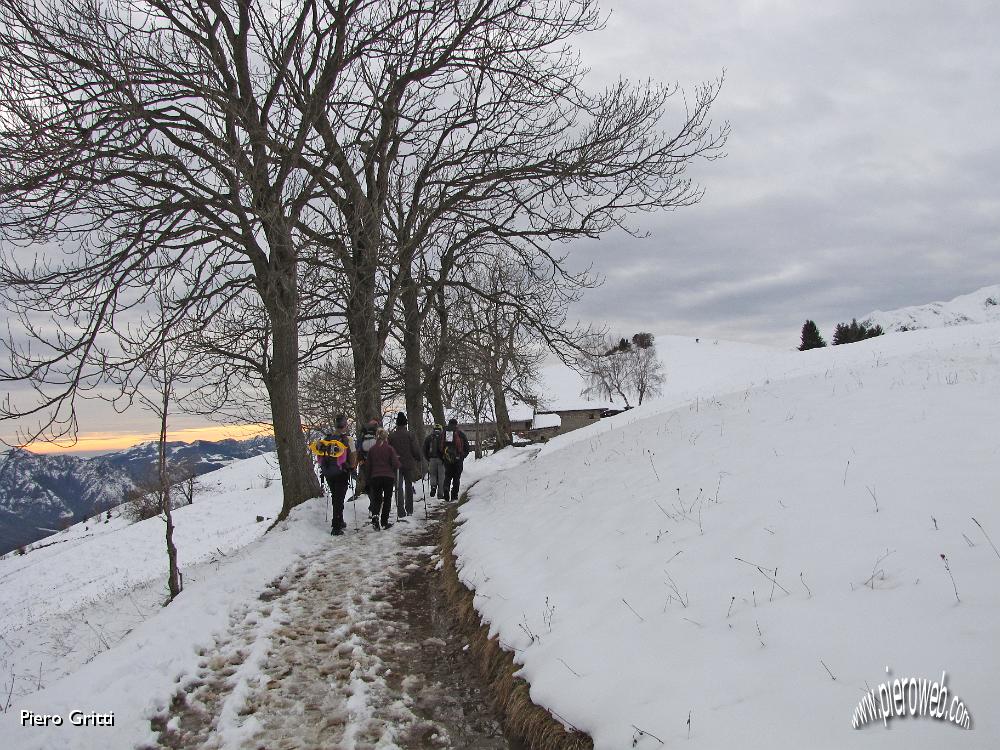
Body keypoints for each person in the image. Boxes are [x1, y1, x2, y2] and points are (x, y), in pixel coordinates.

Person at [312, 416, 355, 535]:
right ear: (345, 425)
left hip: (329, 473)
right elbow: (353, 456)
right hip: (341, 472)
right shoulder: (347, 440)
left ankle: (339, 520)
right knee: (339, 499)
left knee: (335, 496)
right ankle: (336, 526)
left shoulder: (327, 439)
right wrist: (352, 467)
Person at [364, 428, 400, 530]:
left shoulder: (372, 450)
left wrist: (368, 479)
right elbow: (396, 463)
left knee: (377, 498)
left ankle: (375, 516)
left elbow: (368, 466)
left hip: (375, 477)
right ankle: (384, 521)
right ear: (386, 437)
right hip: (388, 477)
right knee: (387, 499)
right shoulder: (389, 449)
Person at [388, 412, 421, 519]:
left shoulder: (392, 436)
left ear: (397, 424)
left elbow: (389, 450)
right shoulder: (410, 435)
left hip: (396, 464)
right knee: (408, 486)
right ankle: (409, 509)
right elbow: (415, 449)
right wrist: (418, 457)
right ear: (405, 424)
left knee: (398, 487)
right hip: (408, 463)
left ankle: (400, 511)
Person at [440, 418, 470, 501]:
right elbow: (467, 447)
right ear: (456, 425)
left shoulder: (444, 434)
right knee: (456, 478)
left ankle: (446, 488)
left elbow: (440, 447)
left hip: (447, 459)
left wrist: (443, 457)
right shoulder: (460, 434)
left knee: (448, 476)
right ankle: (454, 496)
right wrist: (462, 457)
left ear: (449, 424)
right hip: (458, 459)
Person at [356, 417, 380, 521]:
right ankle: (374, 507)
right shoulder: (378, 434)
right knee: (376, 485)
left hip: (365, 463)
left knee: (370, 485)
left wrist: (360, 460)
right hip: (376, 464)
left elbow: (358, 448)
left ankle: (372, 506)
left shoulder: (362, 435)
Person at [423, 423, 446, 499]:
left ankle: (433, 486)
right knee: (441, 477)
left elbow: (424, 450)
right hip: (441, 460)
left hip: (431, 459)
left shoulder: (428, 438)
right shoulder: (443, 438)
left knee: (432, 475)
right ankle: (440, 494)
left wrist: (428, 459)